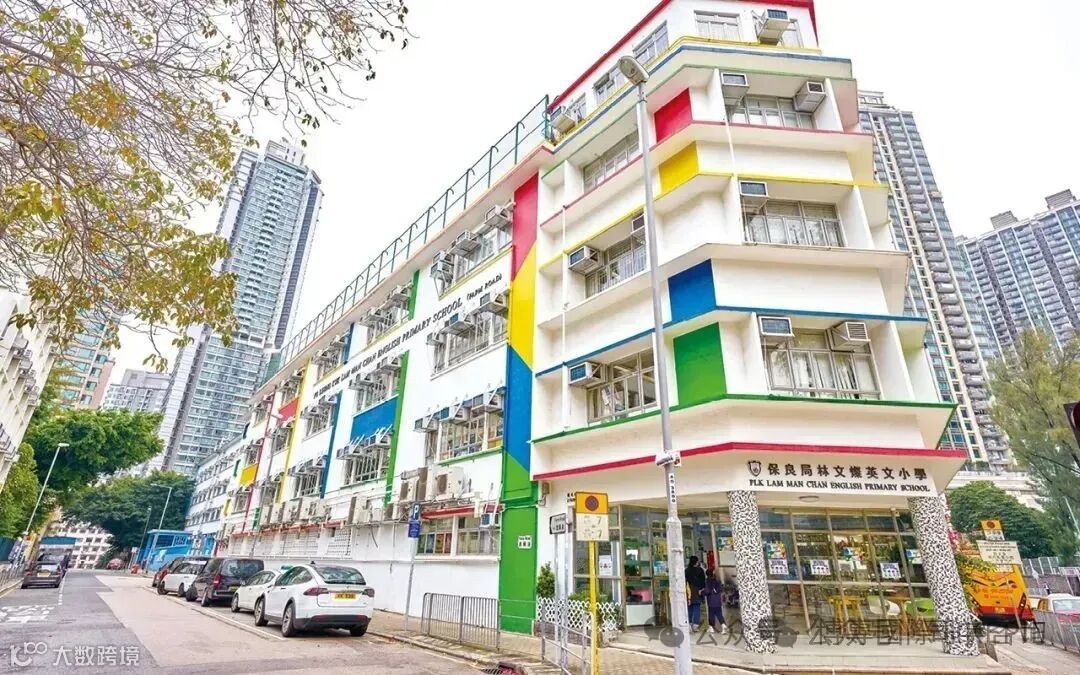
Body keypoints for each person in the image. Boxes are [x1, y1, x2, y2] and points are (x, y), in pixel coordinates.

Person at [702, 568, 728, 634]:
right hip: (718, 600)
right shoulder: (717, 581)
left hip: (711, 601)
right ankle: (723, 625)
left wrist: (702, 592)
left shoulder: (708, 581)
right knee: (719, 613)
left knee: (711, 614)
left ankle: (711, 628)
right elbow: (720, 589)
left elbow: (707, 591)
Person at [685, 556, 707, 631]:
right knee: (697, 608)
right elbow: (703, 581)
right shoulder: (700, 570)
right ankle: (695, 625)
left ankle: (689, 624)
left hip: (689, 590)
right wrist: (702, 589)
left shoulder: (686, 570)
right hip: (697, 590)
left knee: (690, 607)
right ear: (696, 562)